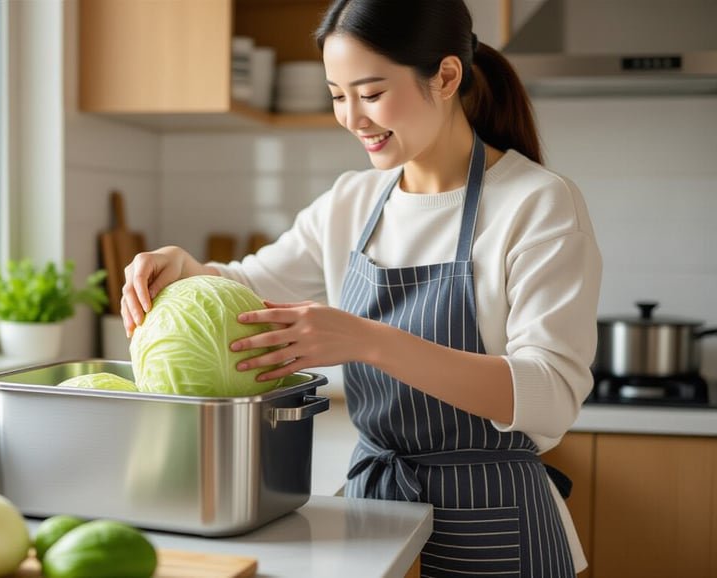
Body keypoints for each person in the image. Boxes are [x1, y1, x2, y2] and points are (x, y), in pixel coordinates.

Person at [121, 0, 601, 575]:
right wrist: (185, 266)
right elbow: (251, 285)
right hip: (376, 513)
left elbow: (551, 391)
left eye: (371, 93)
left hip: (495, 522)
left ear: (446, 76)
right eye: (337, 95)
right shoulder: (352, 200)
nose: (352, 118)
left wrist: (369, 341)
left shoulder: (537, 203)